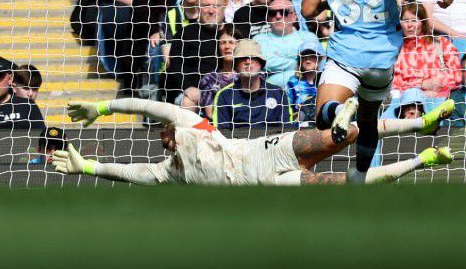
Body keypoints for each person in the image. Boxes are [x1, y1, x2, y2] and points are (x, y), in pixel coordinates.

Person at [302, 0, 454, 184]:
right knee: (369, 120)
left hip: (346, 55)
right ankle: (359, 174)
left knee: (323, 116)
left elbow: (308, 10)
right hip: (382, 58)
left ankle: (340, 109)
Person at [53, 96, 454, 184]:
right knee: (348, 185)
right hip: (267, 183)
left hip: (265, 151)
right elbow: (127, 172)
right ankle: (425, 159)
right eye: (159, 134)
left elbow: (147, 104)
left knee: (346, 134)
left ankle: (424, 124)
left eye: (162, 129)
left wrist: (103, 109)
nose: (161, 133)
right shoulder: (168, 172)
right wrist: (86, 166)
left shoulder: (193, 123)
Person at [394, 1, 463, 98]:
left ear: (423, 22)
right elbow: (394, 83)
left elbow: (457, 76)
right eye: (405, 20)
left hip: (444, 98)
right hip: (410, 103)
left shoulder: (441, 43)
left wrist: (438, 85)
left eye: (414, 20)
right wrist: (421, 85)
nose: (409, 25)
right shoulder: (396, 49)